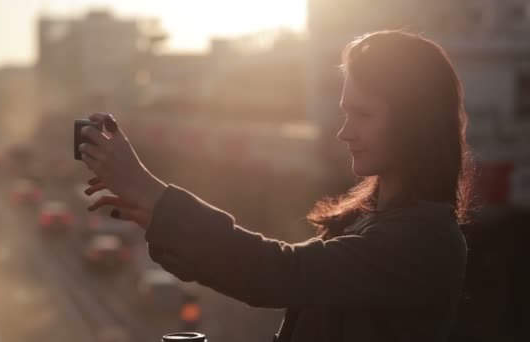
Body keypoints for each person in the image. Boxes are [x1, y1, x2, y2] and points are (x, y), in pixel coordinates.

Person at [78, 29, 474, 342]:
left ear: (413, 122)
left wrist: (148, 190)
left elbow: (278, 272)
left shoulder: (424, 240)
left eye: (362, 114)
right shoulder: (370, 223)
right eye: (344, 112)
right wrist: (158, 216)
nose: (344, 132)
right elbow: (274, 268)